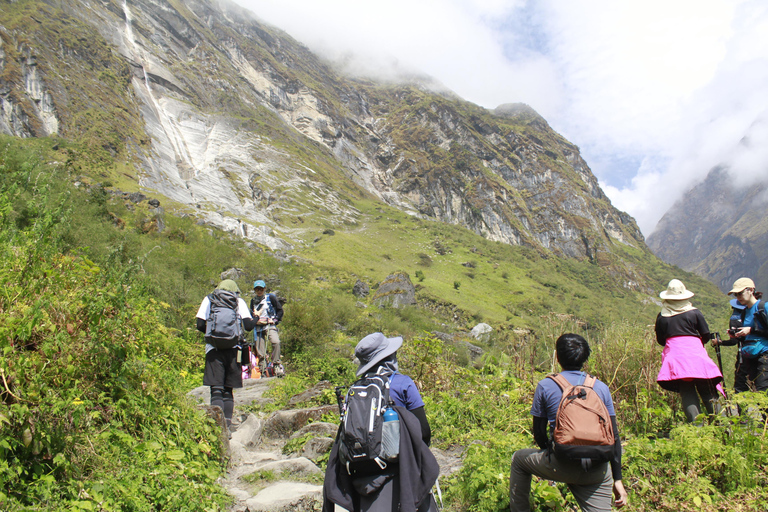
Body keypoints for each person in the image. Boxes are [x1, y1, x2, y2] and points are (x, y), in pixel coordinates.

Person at [509, 333, 627, 512]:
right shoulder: (601, 388)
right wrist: (617, 479)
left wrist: (551, 453)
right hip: (597, 471)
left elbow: (539, 432)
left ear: (557, 356)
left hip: (560, 463)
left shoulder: (546, 386)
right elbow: (614, 436)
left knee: (518, 459)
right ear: (585, 358)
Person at [323, 333, 439, 512]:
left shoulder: (354, 391)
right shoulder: (403, 384)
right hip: (397, 469)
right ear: (389, 357)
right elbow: (423, 431)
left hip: (359, 473)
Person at [654, 279, 723, 422]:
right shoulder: (694, 313)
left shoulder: (662, 317)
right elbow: (705, 335)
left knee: (687, 391)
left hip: (676, 358)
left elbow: (661, 340)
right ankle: (722, 425)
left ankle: (696, 428)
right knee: (707, 391)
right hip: (696, 355)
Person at [195, 279, 255, 432]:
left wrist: (213, 335)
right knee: (228, 390)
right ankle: (227, 426)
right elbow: (248, 326)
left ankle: (217, 428)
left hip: (213, 350)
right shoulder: (238, 301)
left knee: (216, 389)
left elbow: (200, 324)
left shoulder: (210, 299)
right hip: (234, 350)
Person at [712, 277, 768, 392]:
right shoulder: (744, 313)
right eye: (736, 295)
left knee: (762, 390)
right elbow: (747, 337)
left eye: (740, 293)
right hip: (751, 356)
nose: (738, 297)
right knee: (756, 391)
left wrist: (751, 330)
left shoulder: (763, 307)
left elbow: (755, 331)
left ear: (751, 290)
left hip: (765, 353)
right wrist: (737, 336)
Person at [249, 279, 284, 375]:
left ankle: (276, 364)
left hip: (269, 325)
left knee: (275, 342)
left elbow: (280, 310)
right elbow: (251, 314)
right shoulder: (253, 301)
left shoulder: (270, 298)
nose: (259, 291)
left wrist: (275, 320)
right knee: (260, 350)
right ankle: (263, 368)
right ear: (255, 290)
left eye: (261, 289)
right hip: (258, 327)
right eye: (257, 289)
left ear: (264, 289)